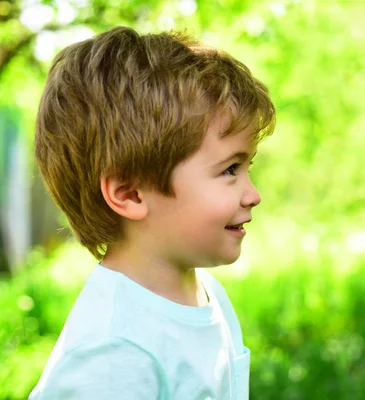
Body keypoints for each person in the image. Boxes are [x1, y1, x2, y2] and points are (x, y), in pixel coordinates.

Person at [29, 25, 275, 400]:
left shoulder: (207, 294)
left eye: (247, 166)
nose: (253, 194)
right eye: (229, 170)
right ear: (129, 194)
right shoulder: (111, 355)